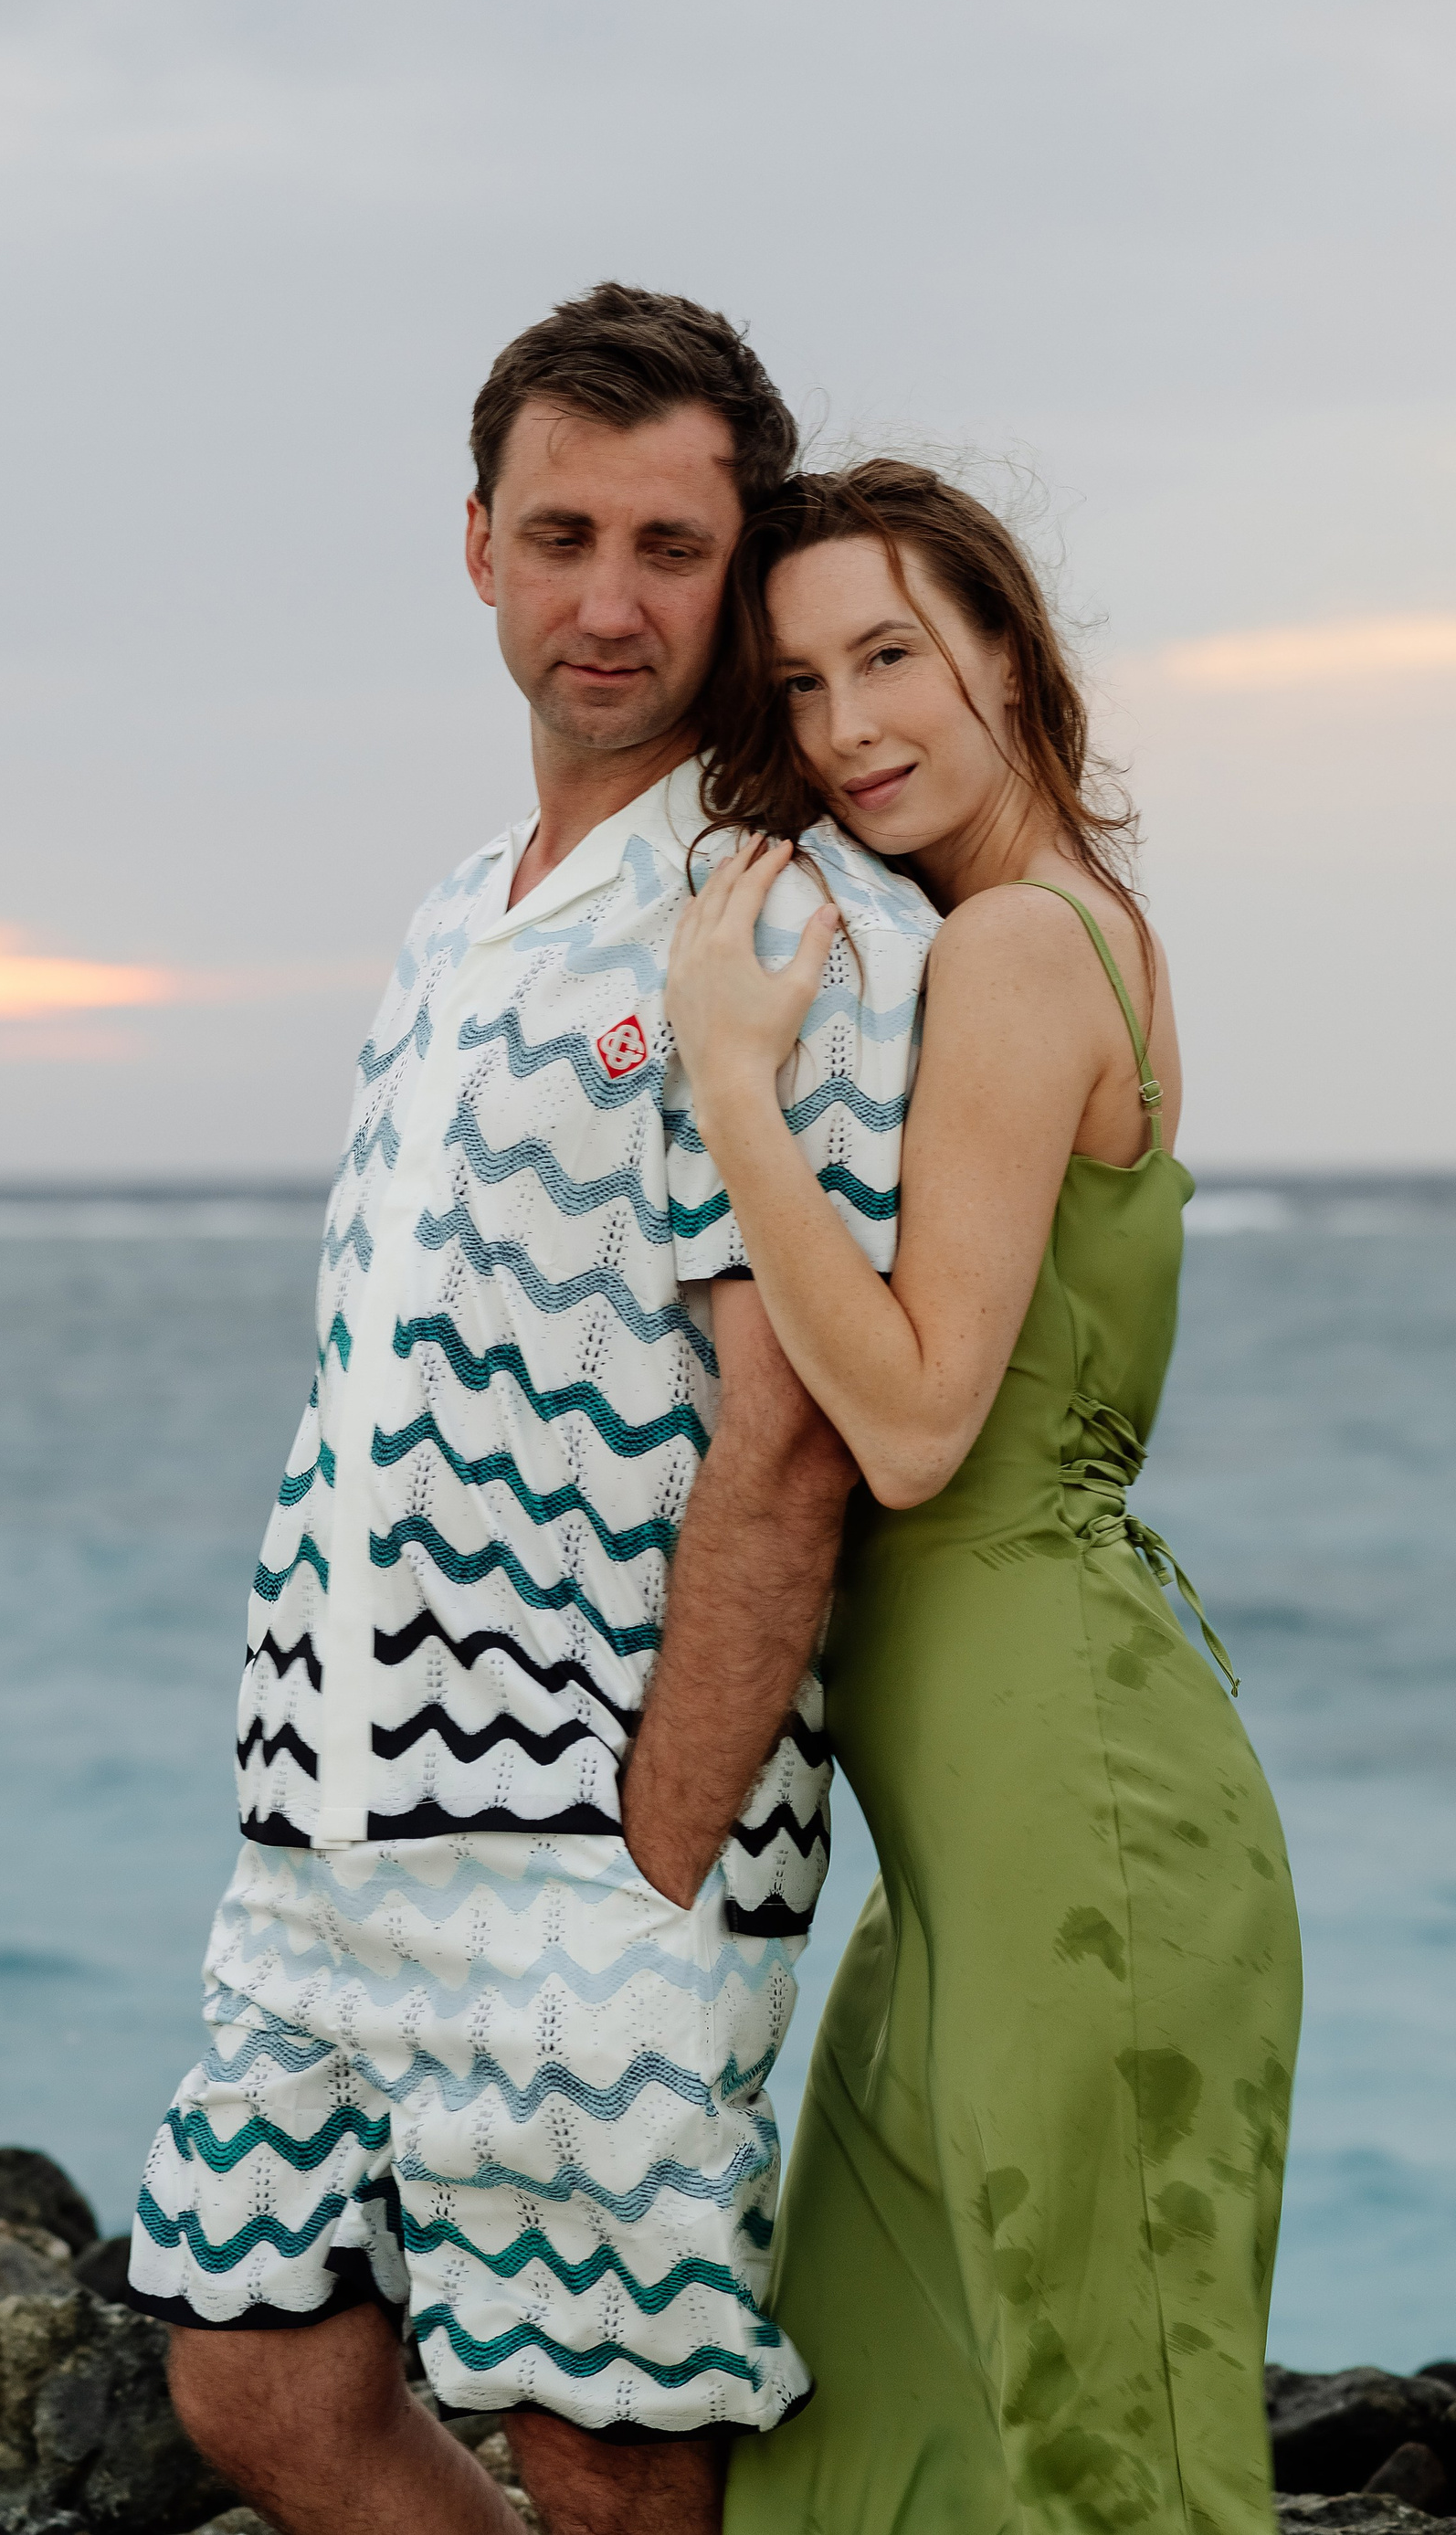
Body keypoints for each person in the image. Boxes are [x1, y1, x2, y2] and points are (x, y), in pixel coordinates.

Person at [125, 294, 938, 2535]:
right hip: (329, 1834)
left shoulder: (781, 920)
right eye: (564, 534)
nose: (609, 601)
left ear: (740, 570)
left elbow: (793, 1433)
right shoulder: (448, 923)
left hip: (599, 1845)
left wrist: (657, 1862)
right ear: (477, 542)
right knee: (254, 2373)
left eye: (671, 548)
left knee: (611, 2454)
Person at [660, 459, 1303, 2535]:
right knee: (853, 2450)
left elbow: (923, 1426)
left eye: (892, 656)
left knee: (1112, 2467)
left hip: (1079, 1820)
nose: (849, 727)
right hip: (972, 1849)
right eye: (801, 683)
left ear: (1007, 655)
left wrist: (730, 1083)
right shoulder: (1043, 931)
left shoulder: (1022, 946)